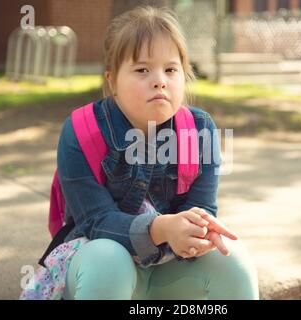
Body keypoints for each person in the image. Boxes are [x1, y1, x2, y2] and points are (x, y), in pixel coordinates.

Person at [22, 5, 259, 300]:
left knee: (233, 259)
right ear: (112, 80)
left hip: (169, 272)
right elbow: (95, 222)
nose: (159, 79)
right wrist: (161, 228)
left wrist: (200, 233)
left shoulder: (199, 130)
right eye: (142, 69)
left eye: (171, 69)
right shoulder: (80, 132)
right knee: (109, 260)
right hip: (98, 271)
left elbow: (203, 209)